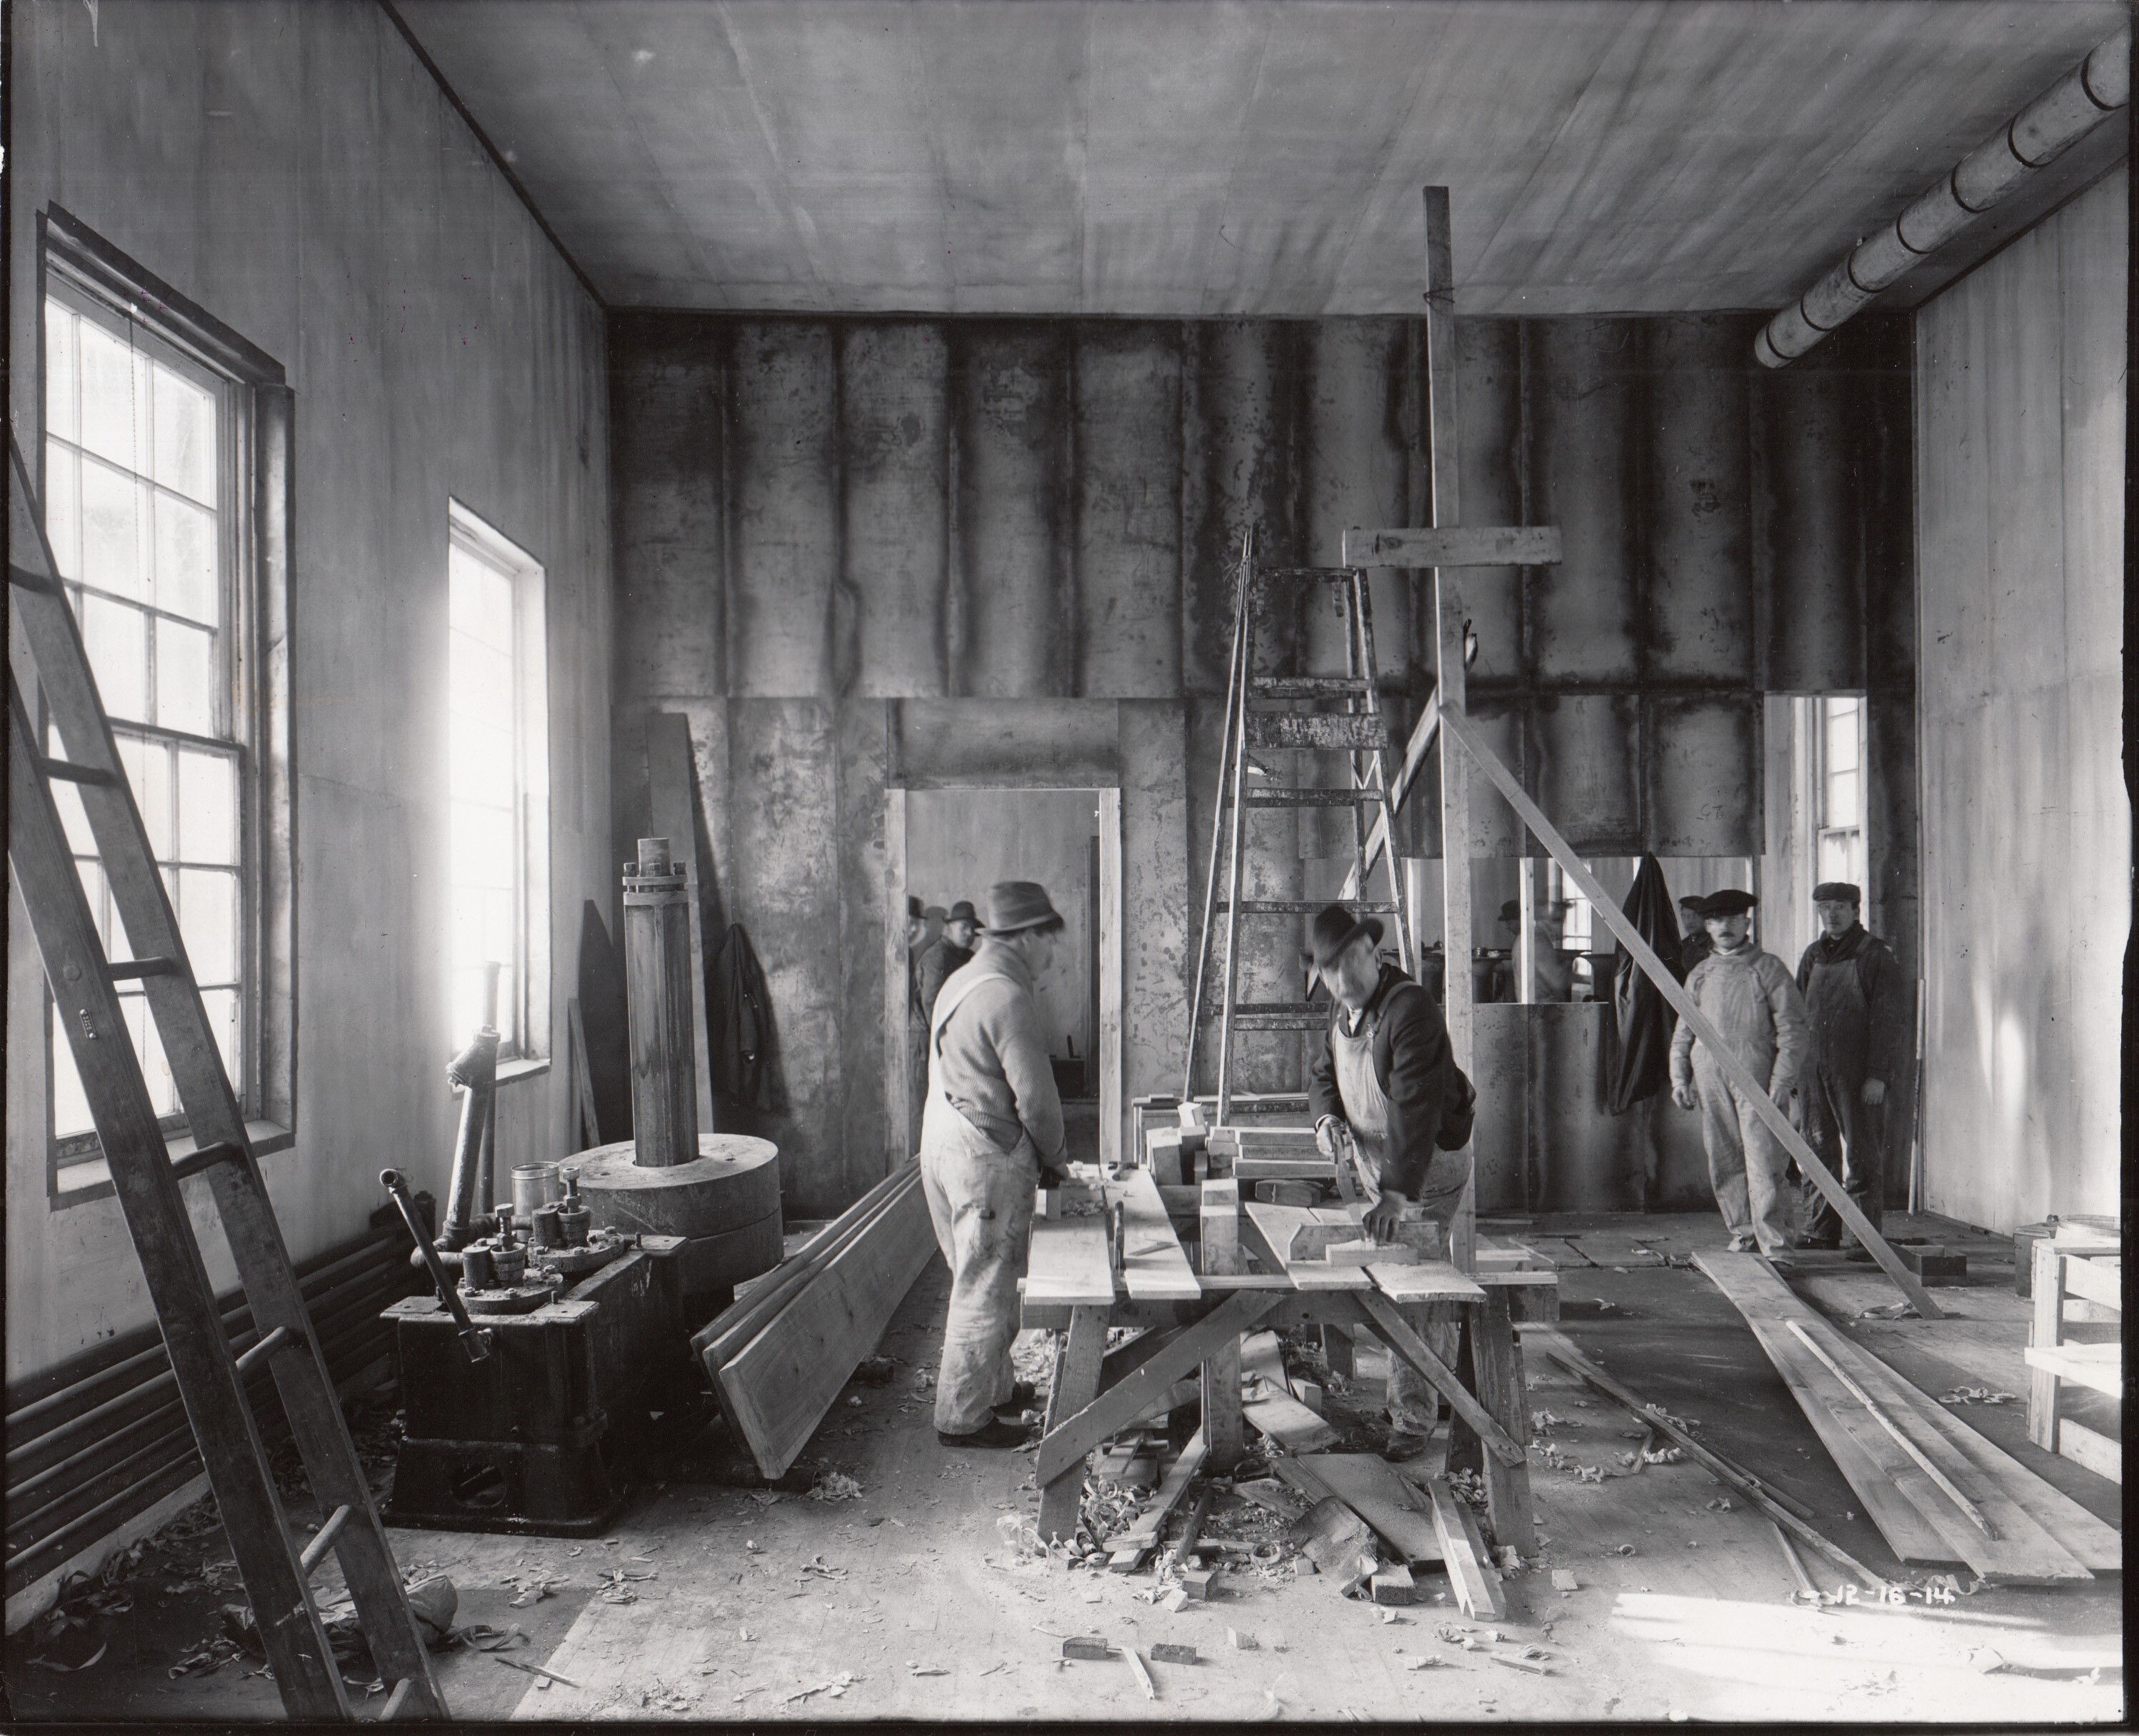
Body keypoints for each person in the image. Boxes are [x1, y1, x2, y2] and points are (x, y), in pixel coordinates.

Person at [1304, 904, 1473, 1458]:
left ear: (1375, 954)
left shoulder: (1409, 1009)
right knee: (1418, 1276)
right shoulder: (1341, 1010)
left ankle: (1413, 1420)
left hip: (1429, 1163)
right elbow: (1324, 1074)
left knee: (1411, 1287)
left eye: (1353, 962)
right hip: (1383, 1164)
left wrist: (1398, 1193)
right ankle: (1441, 1384)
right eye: (1330, 970)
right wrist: (1327, 1118)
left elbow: (1415, 1109)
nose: (1343, 980)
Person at [919, 881, 1070, 1449]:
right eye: (1050, 940)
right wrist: (1055, 1158)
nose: (1053, 953)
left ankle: (996, 1388)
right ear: (1026, 937)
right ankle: (962, 1417)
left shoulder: (962, 979)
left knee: (979, 1274)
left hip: (940, 1139)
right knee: (983, 1286)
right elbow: (1036, 1101)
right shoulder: (1007, 996)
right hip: (981, 1153)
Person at [1668, 890, 1810, 1255]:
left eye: (1733, 919)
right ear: (1707, 926)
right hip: (1710, 1075)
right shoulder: (1700, 973)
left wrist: (1781, 1082)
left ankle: (1777, 1245)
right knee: (1725, 1156)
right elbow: (1684, 1030)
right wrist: (1680, 1077)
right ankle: (1744, 1232)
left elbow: (1793, 1030)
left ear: (1746, 923)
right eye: (1715, 920)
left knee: (1764, 1160)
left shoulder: (1768, 968)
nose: (1724, 927)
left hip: (1757, 1077)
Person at [1793, 882, 1908, 1251]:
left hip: (1857, 1073)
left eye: (1840, 907)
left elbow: (1888, 1021)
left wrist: (1877, 1075)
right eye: (1825, 907)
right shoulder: (1813, 955)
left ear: (1856, 911)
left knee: (1861, 1152)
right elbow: (1797, 1013)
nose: (1832, 914)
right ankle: (1820, 1230)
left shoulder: (1874, 954)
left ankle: (1865, 1240)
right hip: (1814, 1070)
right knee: (1816, 1148)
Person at [916, 900, 980, 1023]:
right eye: (964, 927)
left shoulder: (970, 957)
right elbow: (932, 1004)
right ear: (950, 927)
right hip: (928, 1035)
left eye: (973, 929)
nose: (970, 933)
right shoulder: (938, 956)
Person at [1678, 894, 1714, 976]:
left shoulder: (1714, 944)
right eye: (1685, 916)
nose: (1690, 921)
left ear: (1705, 916)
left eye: (1695, 915)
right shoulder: (1682, 945)